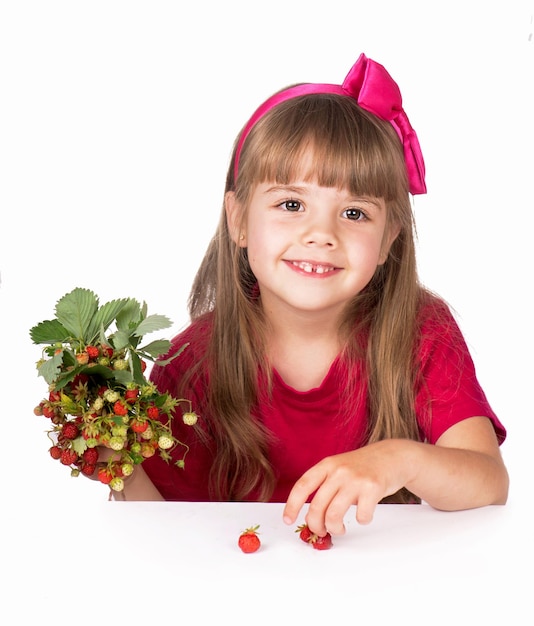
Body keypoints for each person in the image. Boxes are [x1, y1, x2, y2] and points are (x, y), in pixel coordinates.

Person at [104, 53, 509, 537]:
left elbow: (488, 481)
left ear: (389, 239)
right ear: (238, 220)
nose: (322, 234)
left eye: (355, 213)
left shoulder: (422, 331)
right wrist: (118, 461)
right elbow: (165, 530)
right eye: (291, 204)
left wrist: (399, 460)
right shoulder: (191, 362)